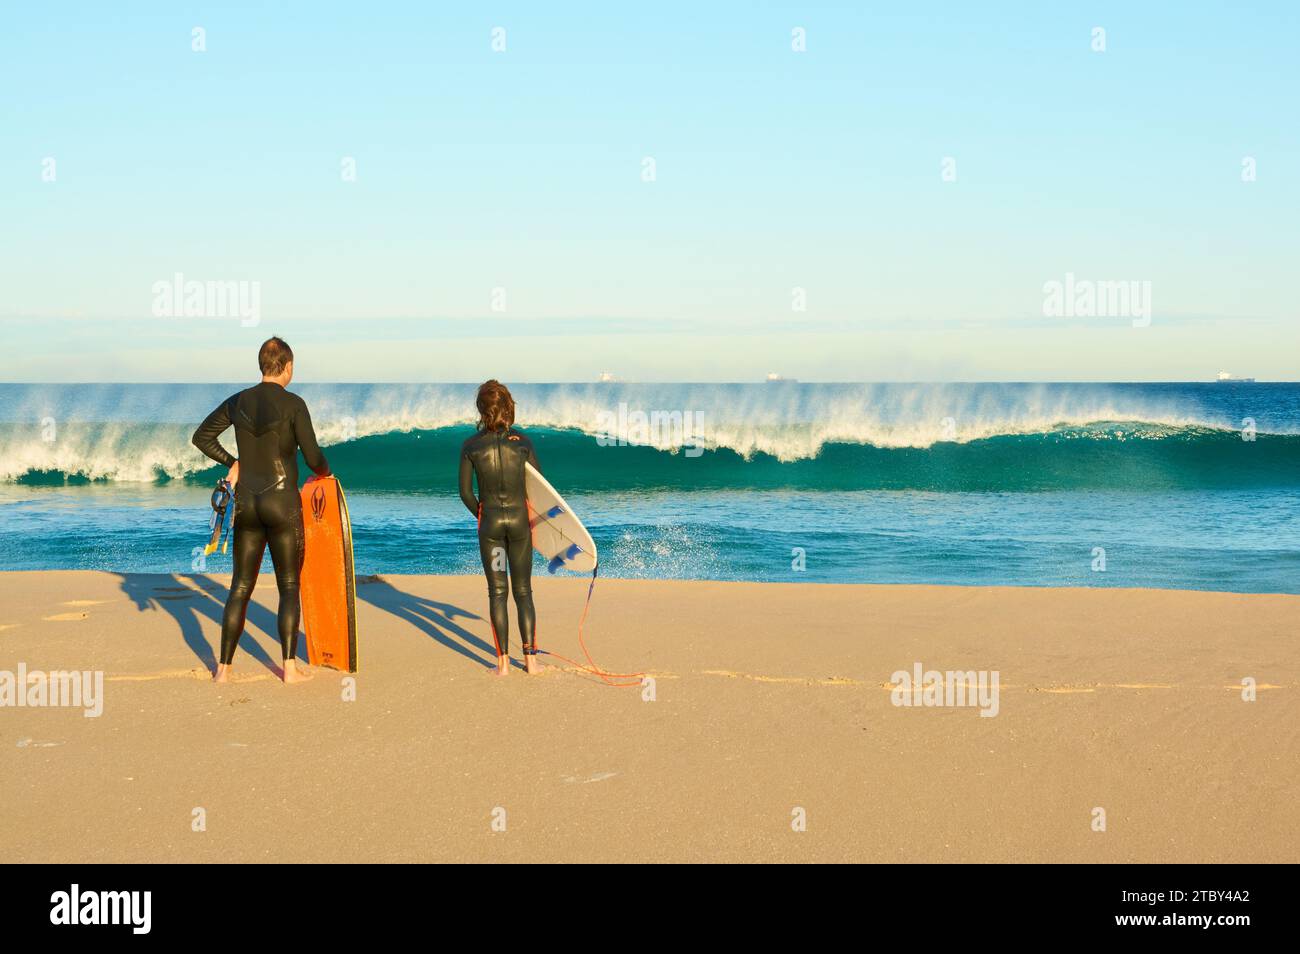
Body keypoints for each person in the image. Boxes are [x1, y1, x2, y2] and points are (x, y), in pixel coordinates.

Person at [191, 337, 330, 684]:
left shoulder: (239, 401)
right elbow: (313, 457)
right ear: (287, 366)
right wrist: (326, 473)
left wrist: (233, 461)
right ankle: (289, 668)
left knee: (240, 586)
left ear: (261, 365)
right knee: (288, 586)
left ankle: (223, 670)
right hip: (283, 505)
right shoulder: (295, 404)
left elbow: (202, 437)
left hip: (248, 505)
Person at [459, 380, 542, 676]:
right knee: (523, 591)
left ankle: (503, 663)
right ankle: (531, 661)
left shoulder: (470, 446)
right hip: (519, 524)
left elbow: (466, 493)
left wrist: (481, 514)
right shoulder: (523, 443)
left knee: (497, 592)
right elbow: (538, 489)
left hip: (491, 525)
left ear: (481, 409)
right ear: (508, 406)